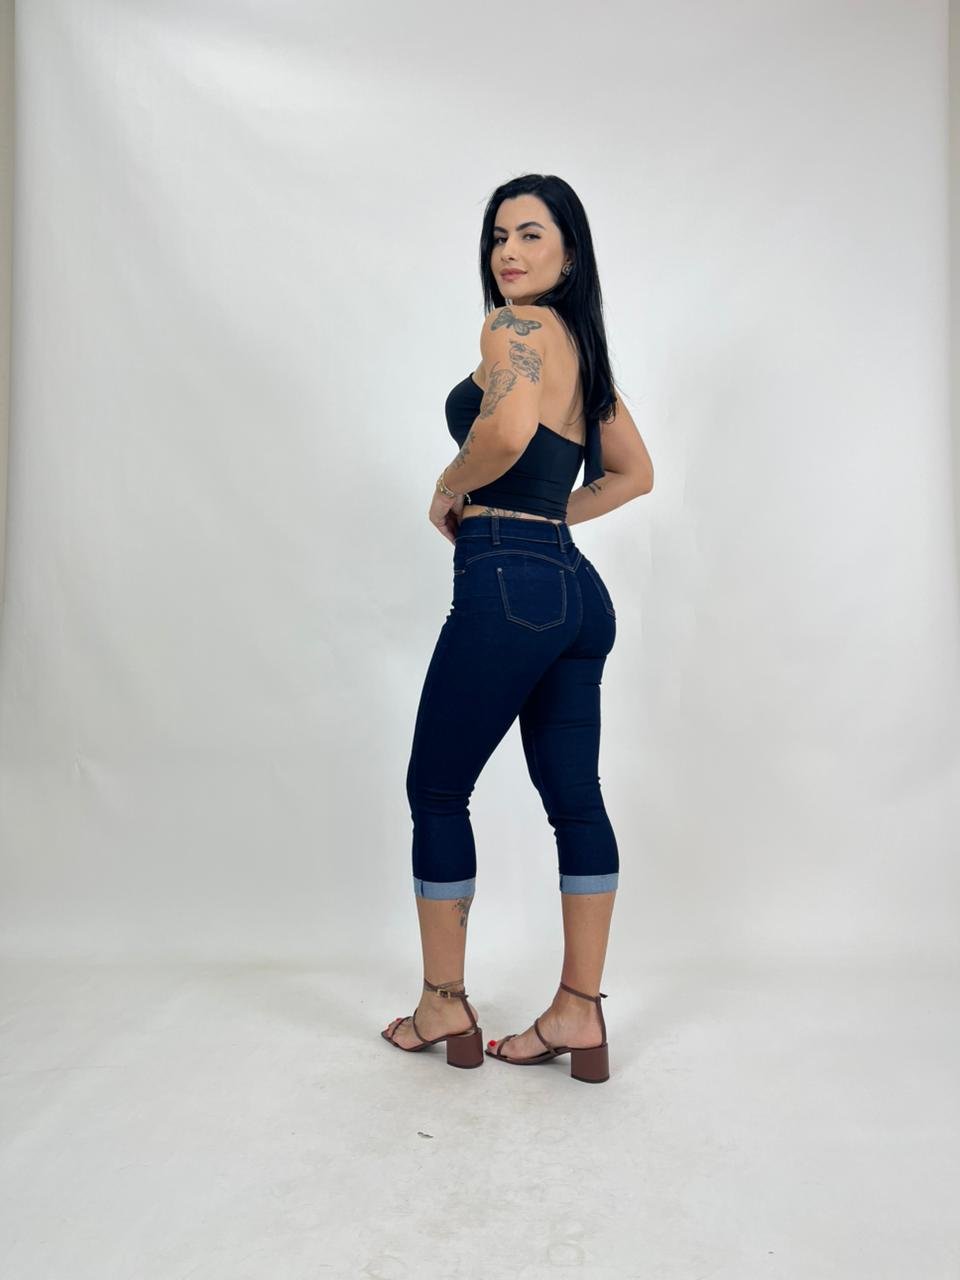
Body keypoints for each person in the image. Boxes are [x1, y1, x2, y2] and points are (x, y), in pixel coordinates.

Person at [381, 174, 654, 1083]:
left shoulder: (516, 328)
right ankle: (579, 1012)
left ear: (568, 254)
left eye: (532, 234)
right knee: (575, 800)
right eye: (499, 235)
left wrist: (448, 487)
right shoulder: (587, 353)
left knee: (435, 789)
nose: (509, 252)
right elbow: (634, 473)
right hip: (575, 591)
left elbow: (503, 432)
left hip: (506, 582)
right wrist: (550, 521)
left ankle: (442, 1004)